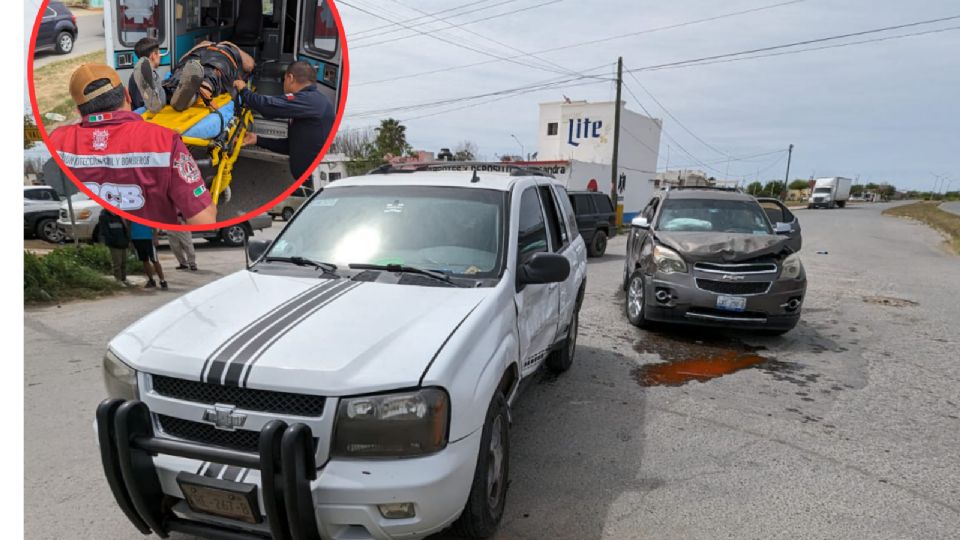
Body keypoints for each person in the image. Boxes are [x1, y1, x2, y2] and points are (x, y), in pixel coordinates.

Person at [48, 63, 217, 225]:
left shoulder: (57, 141)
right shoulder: (164, 141)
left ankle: (168, 92)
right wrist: (208, 204)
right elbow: (203, 219)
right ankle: (184, 93)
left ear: (79, 111)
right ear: (128, 95)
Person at [233, 61, 335, 180]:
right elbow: (291, 146)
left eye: (284, 79)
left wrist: (244, 90)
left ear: (290, 78)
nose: (283, 84)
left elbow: (268, 107)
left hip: (312, 181)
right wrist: (257, 140)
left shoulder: (311, 100)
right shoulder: (313, 100)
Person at [136, 40, 255, 113]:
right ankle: (187, 98)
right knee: (208, 77)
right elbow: (250, 65)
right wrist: (231, 45)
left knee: (180, 76)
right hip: (219, 62)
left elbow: (182, 59)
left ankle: (161, 96)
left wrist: (201, 46)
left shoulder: (202, 44)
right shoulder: (231, 49)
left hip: (192, 59)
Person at [129, 37, 164, 112]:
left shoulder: (137, 74)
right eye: (159, 53)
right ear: (153, 55)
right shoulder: (141, 75)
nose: (160, 56)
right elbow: (142, 102)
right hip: (147, 114)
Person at [130, 220, 167, 289]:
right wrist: (130, 240)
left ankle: (162, 280)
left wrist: (155, 237)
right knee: (144, 260)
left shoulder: (145, 211)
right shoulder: (130, 211)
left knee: (154, 260)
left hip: (148, 238)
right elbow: (128, 225)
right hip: (136, 238)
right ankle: (151, 280)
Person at [98, 209, 131, 285]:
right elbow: (105, 231)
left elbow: (125, 229)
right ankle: (118, 280)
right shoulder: (103, 216)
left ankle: (124, 278)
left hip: (123, 242)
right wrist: (112, 241)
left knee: (124, 262)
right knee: (117, 263)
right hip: (114, 244)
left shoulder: (119, 216)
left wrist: (126, 241)